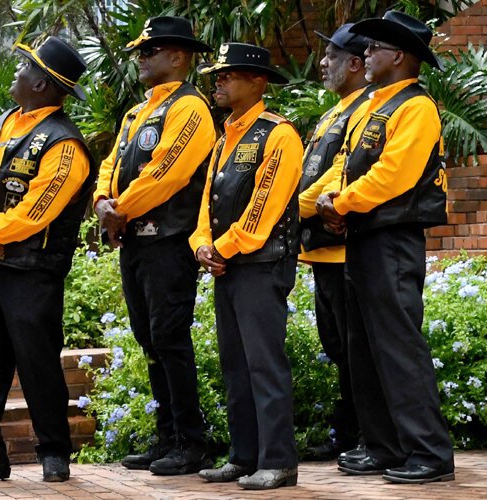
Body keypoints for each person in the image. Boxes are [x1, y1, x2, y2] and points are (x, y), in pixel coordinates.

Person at [0, 35, 92, 485]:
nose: (17, 73)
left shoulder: (65, 144)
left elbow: (36, 213)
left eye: (25, 68)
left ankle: (54, 451)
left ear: (43, 85)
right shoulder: (5, 123)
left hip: (31, 270)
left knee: (37, 360)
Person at [317, 10, 453, 485]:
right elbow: (347, 167)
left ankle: (430, 453)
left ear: (399, 56)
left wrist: (343, 202)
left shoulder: (415, 106)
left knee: (398, 347)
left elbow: (393, 175)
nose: (366, 54)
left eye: (374, 48)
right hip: (363, 236)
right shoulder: (374, 106)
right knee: (365, 349)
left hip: (393, 238)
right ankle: (383, 445)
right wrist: (326, 200)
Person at [94, 15, 217, 476]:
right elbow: (111, 162)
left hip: (170, 241)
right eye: (141, 52)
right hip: (136, 244)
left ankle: (191, 440)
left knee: (170, 338)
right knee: (149, 339)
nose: (141, 59)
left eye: (150, 51)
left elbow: (169, 172)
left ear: (178, 56)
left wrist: (119, 208)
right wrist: (103, 201)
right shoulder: (137, 111)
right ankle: (167, 436)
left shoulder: (190, 107)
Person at [190, 42, 305, 490]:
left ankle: (278, 461)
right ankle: (244, 456)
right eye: (217, 76)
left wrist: (223, 247)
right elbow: (208, 202)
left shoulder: (278, 134)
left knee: (264, 364)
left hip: (260, 264)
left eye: (228, 75)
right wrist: (202, 244)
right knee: (235, 365)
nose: (219, 82)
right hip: (228, 265)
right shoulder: (225, 136)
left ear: (257, 82)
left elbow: (266, 207)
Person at [297, 23, 370, 463]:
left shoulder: (365, 111)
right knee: (339, 348)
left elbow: (336, 176)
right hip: (323, 249)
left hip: (348, 250)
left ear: (356, 64)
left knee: (357, 348)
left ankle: (368, 435)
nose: (322, 63)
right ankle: (349, 431)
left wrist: (289, 208)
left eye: (333, 55)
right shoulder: (333, 112)